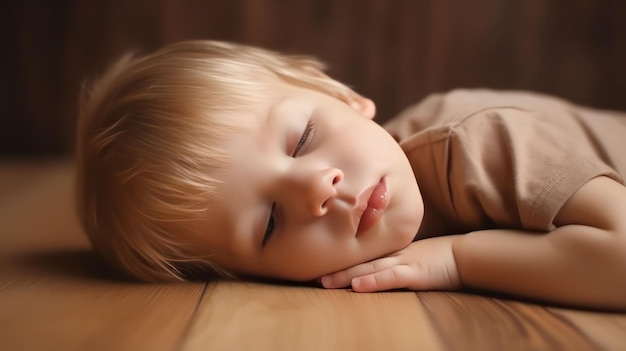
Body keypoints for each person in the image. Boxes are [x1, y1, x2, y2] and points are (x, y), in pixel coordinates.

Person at [76, 40, 626, 310]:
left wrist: (459, 260)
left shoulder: (477, 141)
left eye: (302, 139)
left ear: (341, 96)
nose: (317, 188)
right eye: (269, 223)